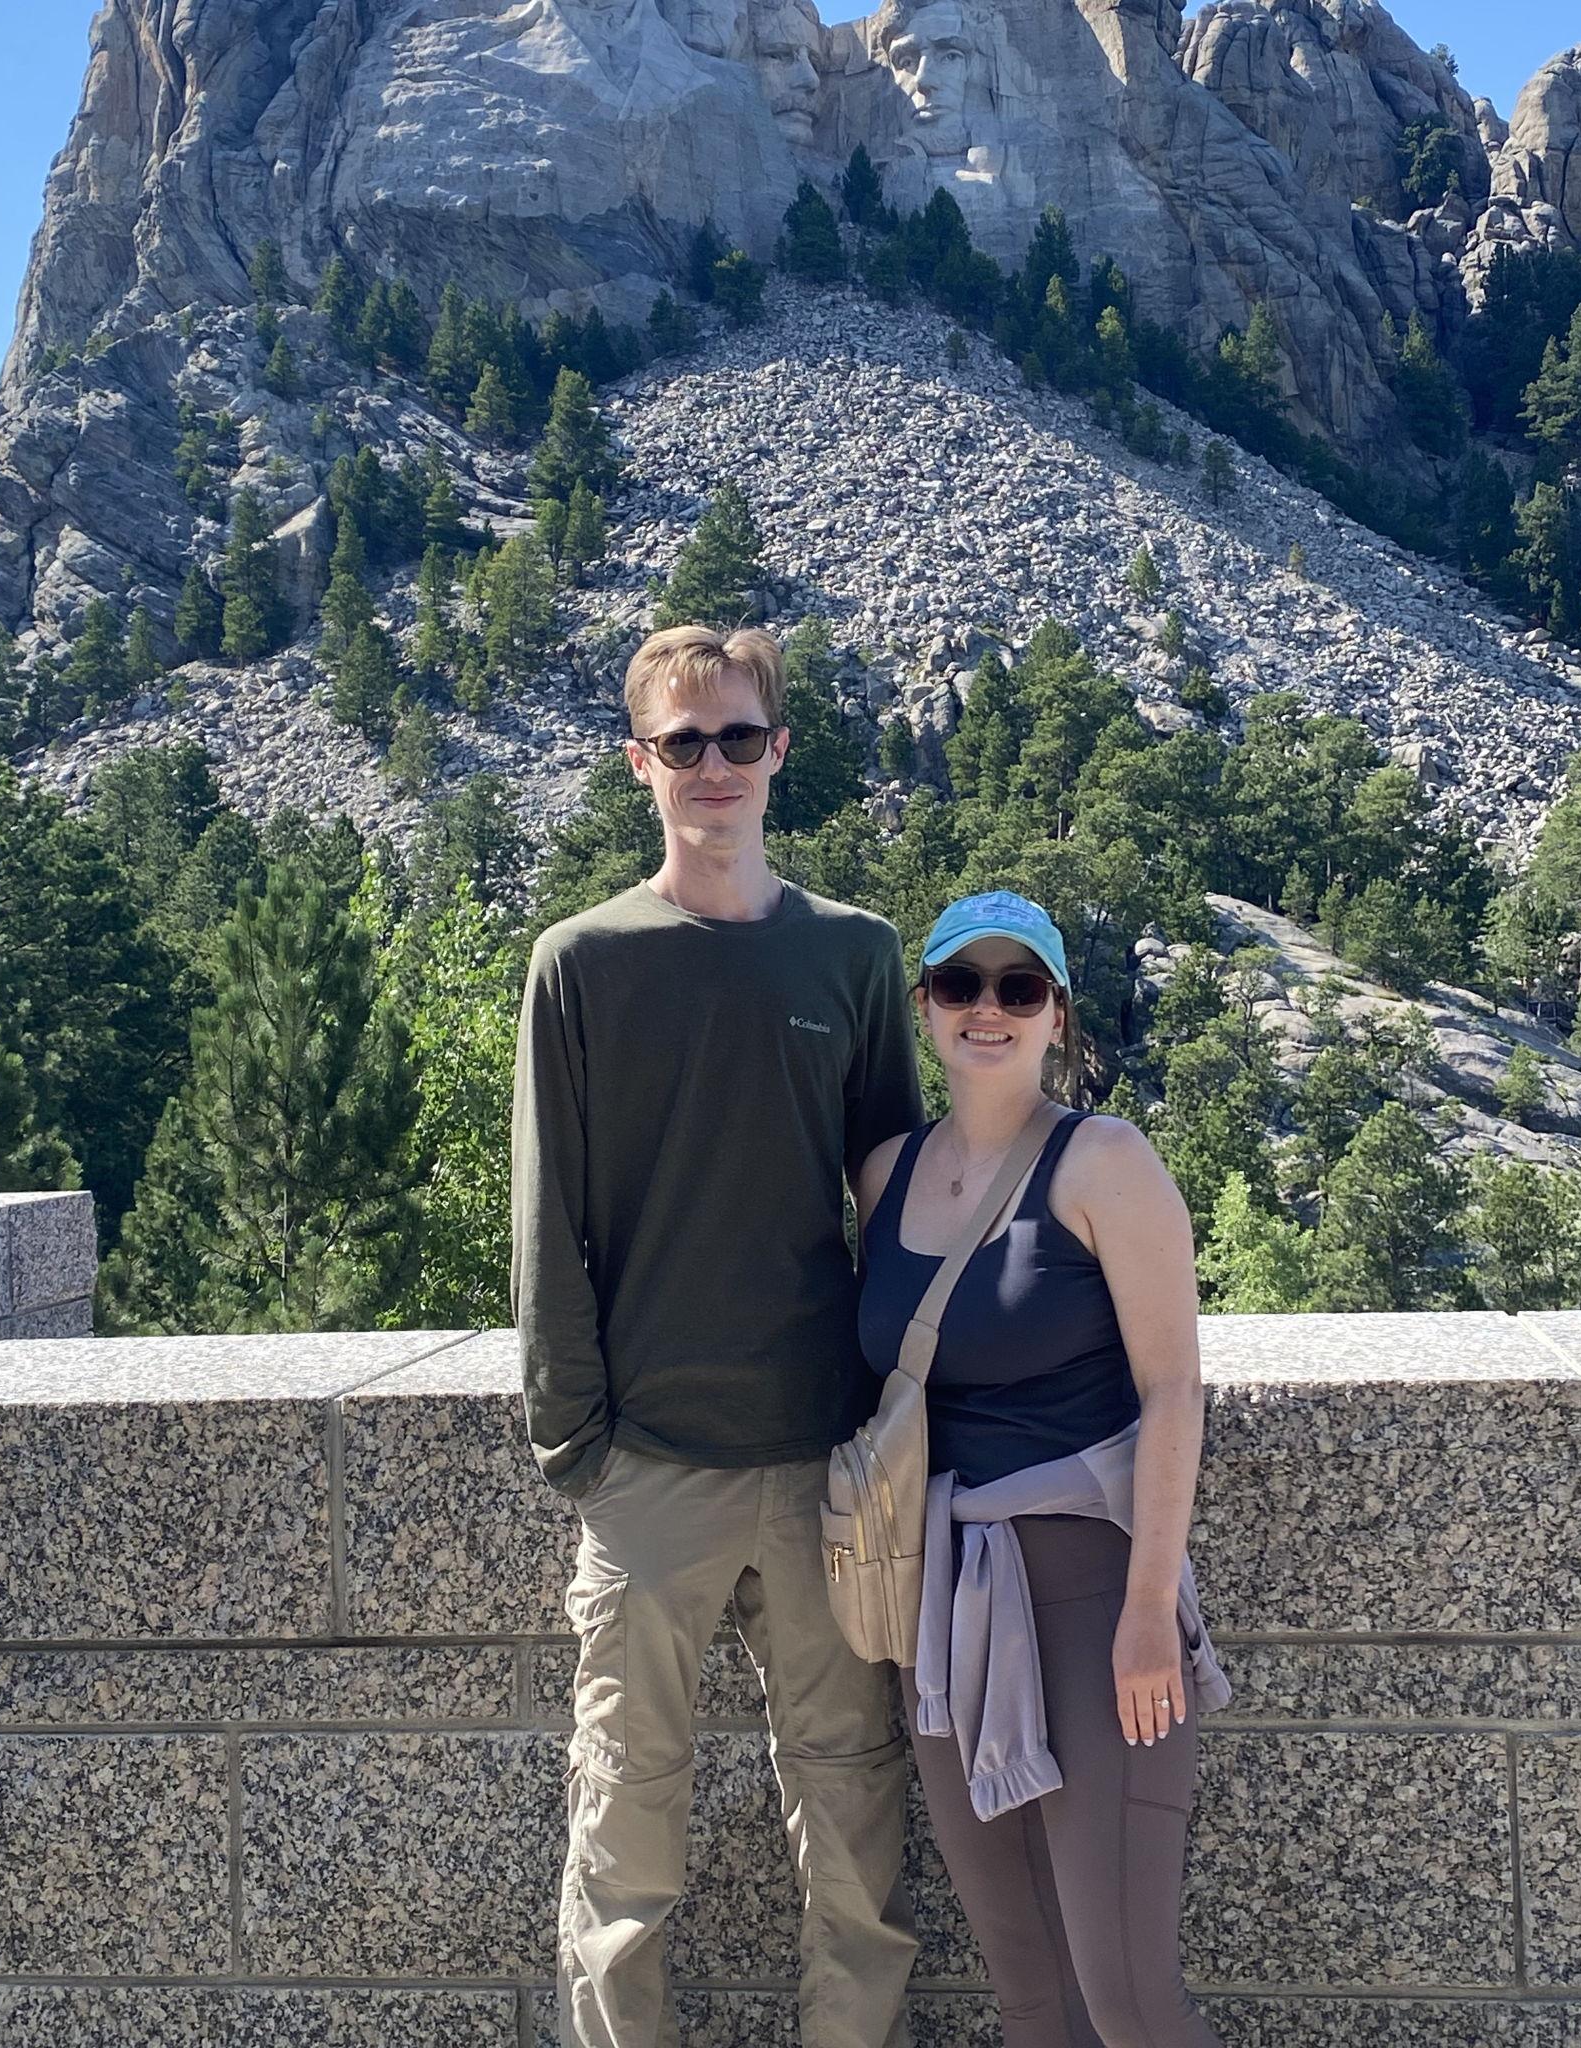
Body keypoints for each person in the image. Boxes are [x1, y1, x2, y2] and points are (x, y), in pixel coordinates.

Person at [513, 622, 925, 2048]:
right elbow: (547, 1226)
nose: (714, 767)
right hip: (652, 1481)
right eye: (682, 744)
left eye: (738, 737)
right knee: (625, 1841)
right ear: (639, 763)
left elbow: (904, 1209)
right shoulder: (581, 965)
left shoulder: (858, 958)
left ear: (780, 753)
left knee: (858, 1832)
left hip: (827, 1472)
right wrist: (583, 1454)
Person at [854, 890, 1225, 2048]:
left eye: (1020, 987)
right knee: (1030, 1993)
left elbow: (1172, 1389)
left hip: (1091, 1595)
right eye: (962, 983)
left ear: (1056, 1015)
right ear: (924, 1005)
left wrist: (1147, 1609)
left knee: (1126, 1996)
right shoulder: (881, 1175)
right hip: (948, 1612)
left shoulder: (1101, 1161)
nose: (988, 1008)